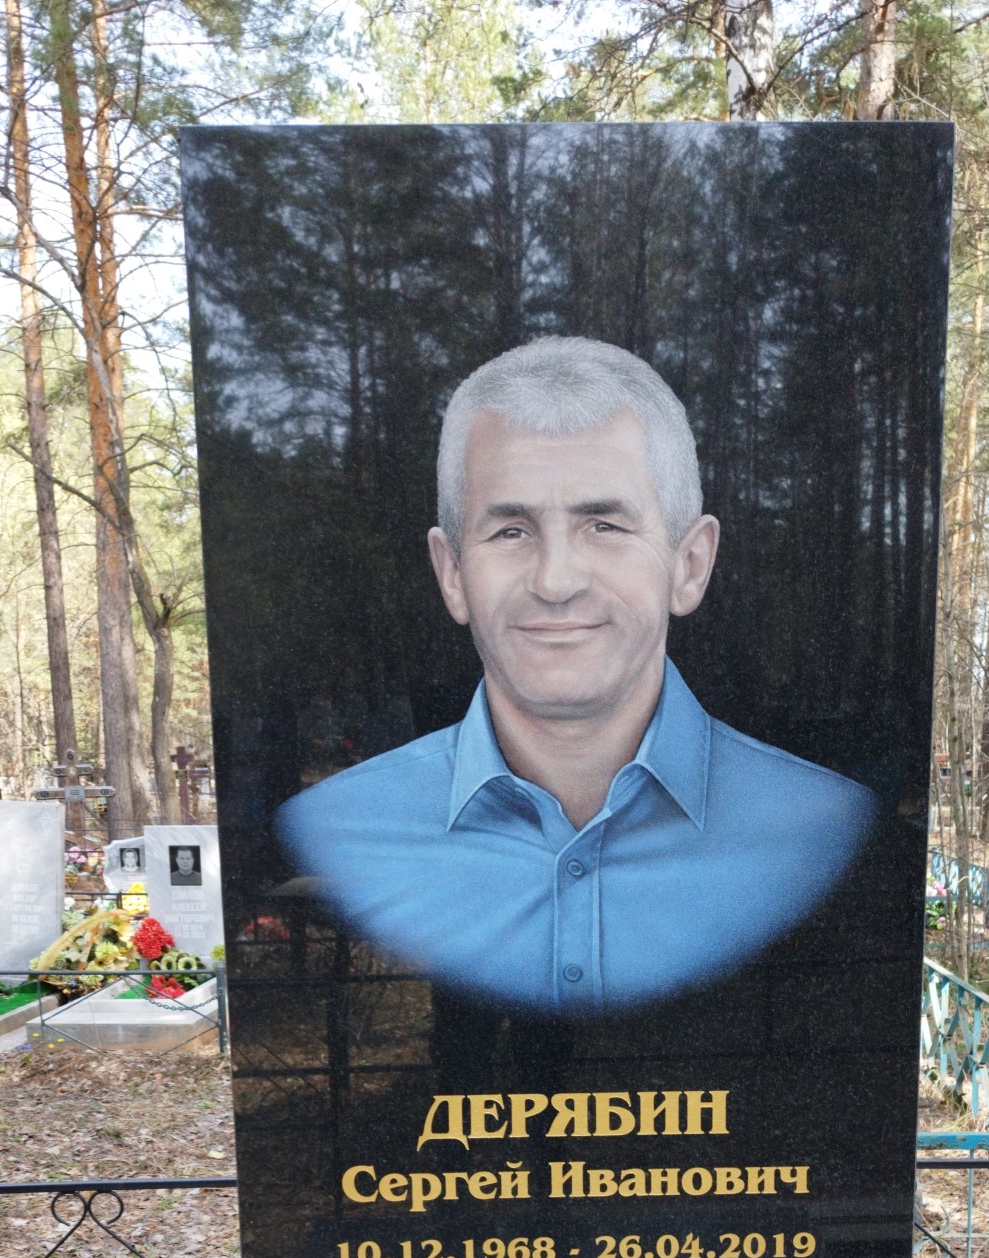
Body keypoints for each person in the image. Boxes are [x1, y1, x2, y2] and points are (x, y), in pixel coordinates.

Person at [278, 336, 875, 1015]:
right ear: (452, 575)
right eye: (511, 531)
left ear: (689, 565)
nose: (556, 581)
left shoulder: (829, 828)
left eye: (604, 525)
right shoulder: (328, 831)